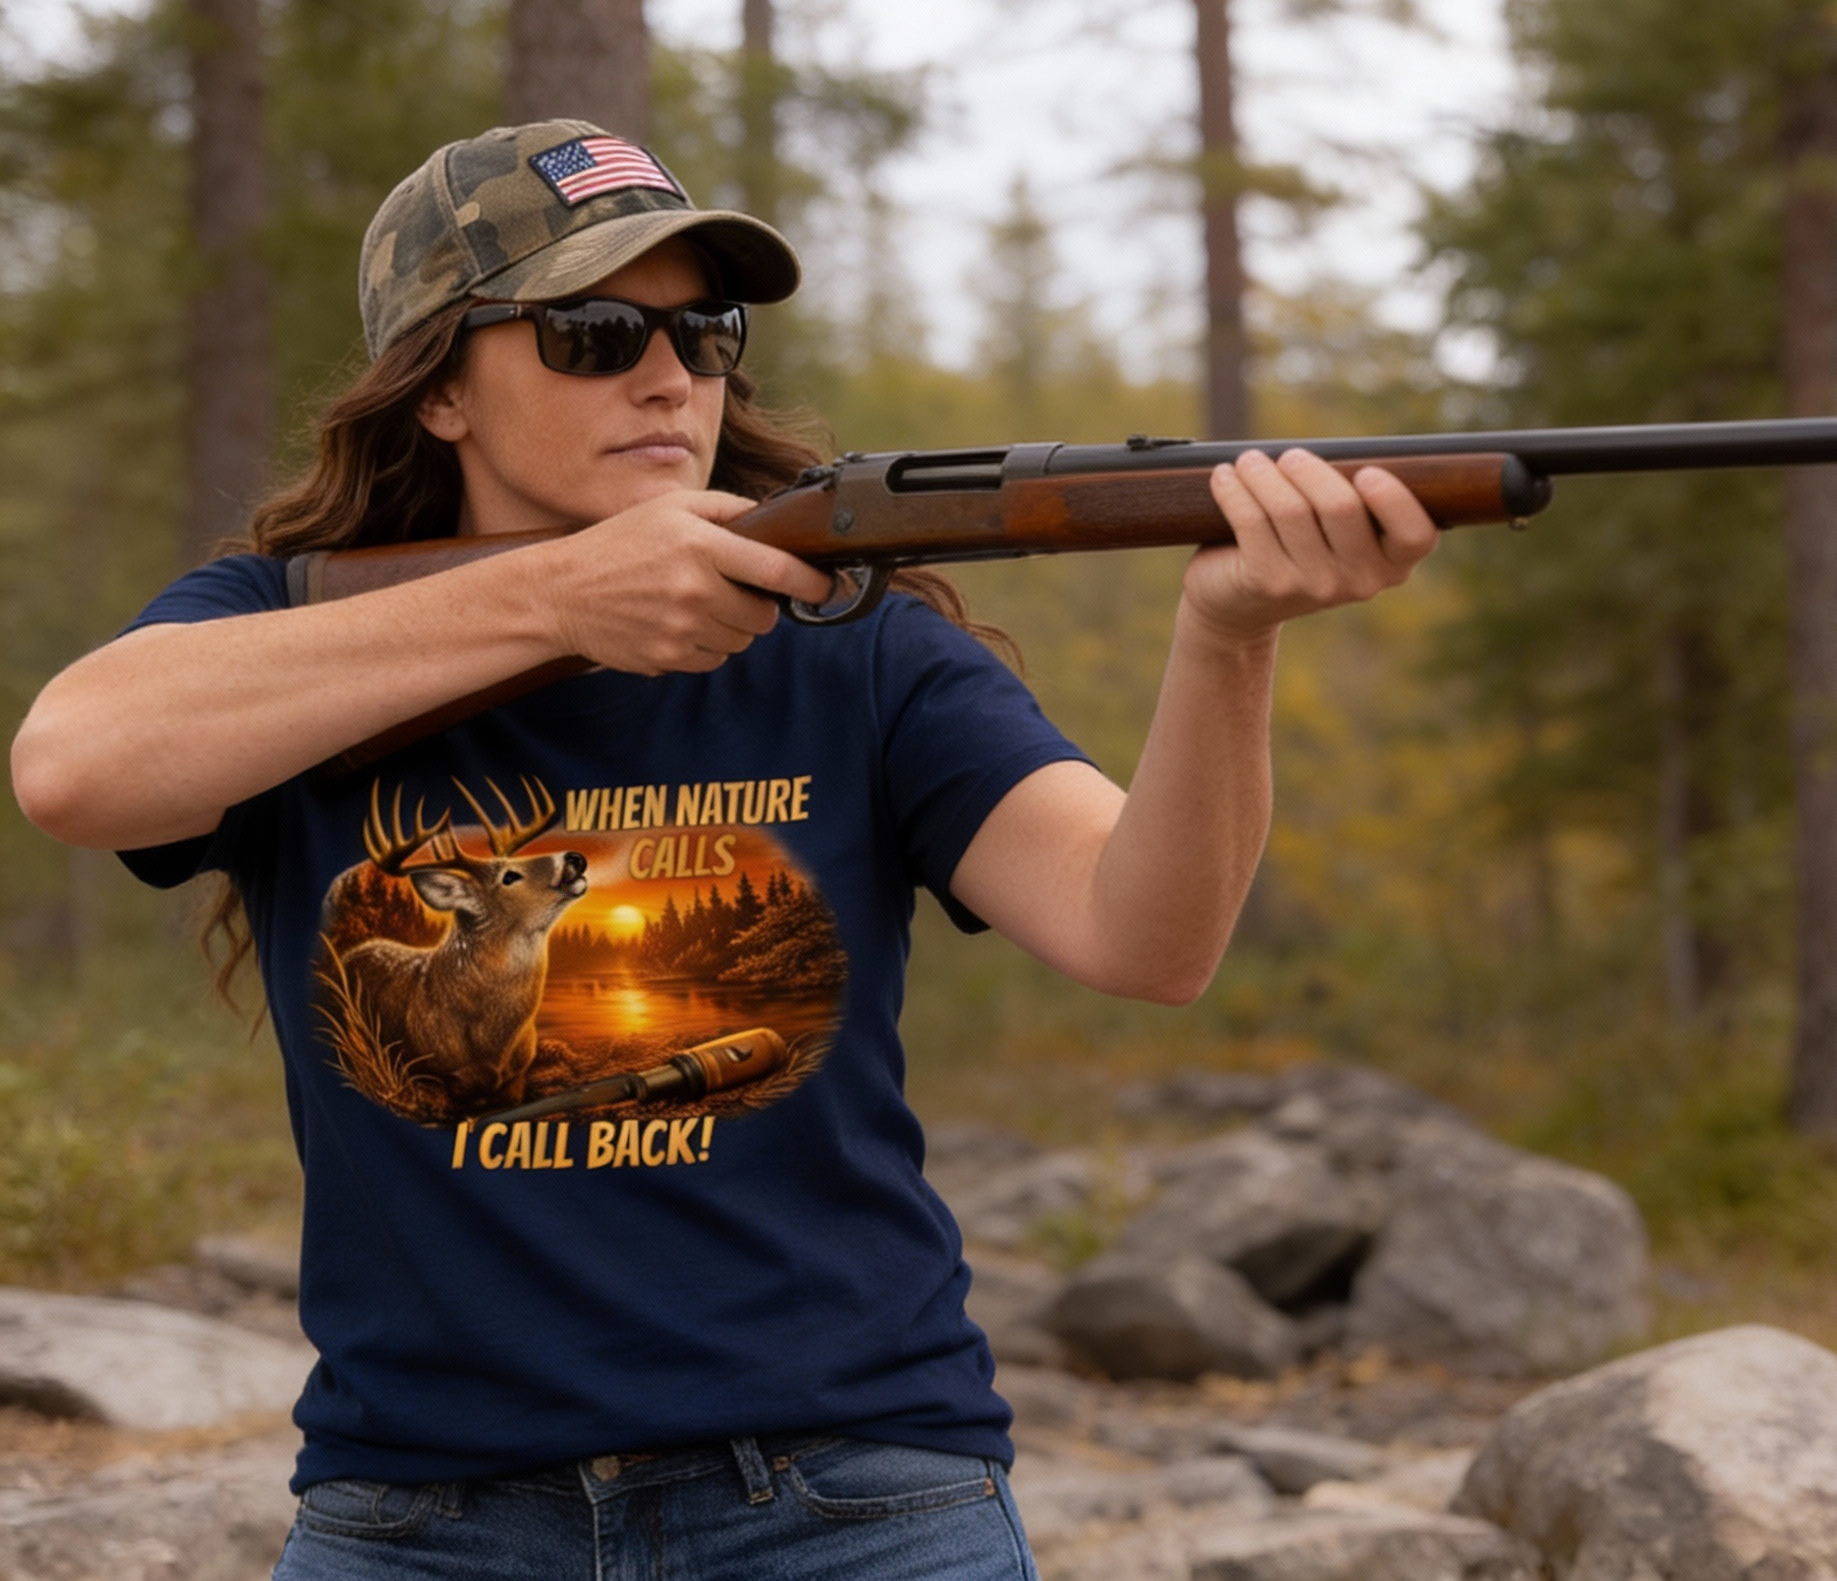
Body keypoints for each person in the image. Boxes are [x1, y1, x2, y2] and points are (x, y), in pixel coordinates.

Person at [8, 118, 1436, 1579]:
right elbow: (71, 768)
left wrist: (1228, 635)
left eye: (706, 332)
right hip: (419, 1514)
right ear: (437, 390)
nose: (668, 376)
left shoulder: (856, 642)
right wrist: (556, 600)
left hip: (853, 1501)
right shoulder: (285, 629)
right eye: (593, 331)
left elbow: (1146, 939)